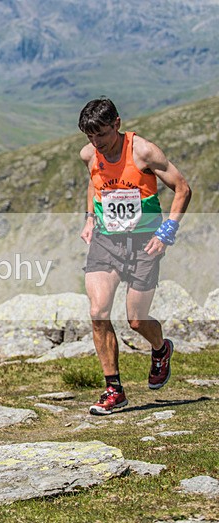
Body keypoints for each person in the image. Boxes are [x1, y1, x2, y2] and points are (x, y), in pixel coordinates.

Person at [78, 97, 191, 415]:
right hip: (106, 240)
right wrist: (89, 217)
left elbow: (182, 188)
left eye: (101, 134)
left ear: (117, 123)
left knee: (136, 319)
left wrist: (166, 232)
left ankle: (161, 347)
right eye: (90, 136)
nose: (96, 142)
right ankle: (113, 389)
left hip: (144, 243)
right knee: (99, 311)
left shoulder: (143, 152)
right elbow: (94, 181)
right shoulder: (90, 153)